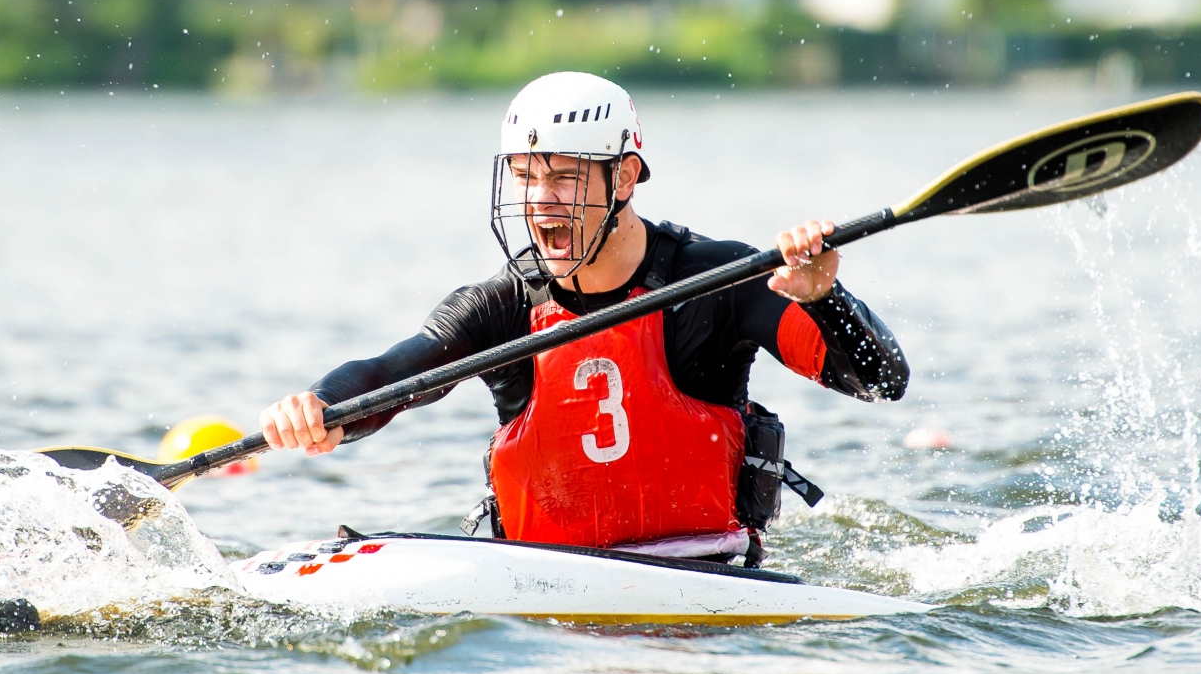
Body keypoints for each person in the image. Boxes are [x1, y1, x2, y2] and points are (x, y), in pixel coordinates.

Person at [261, 72, 907, 565]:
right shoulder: (501, 306)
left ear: (624, 177)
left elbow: (883, 381)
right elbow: (396, 370)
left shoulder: (718, 281)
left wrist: (825, 297)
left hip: (705, 577)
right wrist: (322, 408)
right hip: (543, 585)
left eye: (565, 178)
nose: (541, 203)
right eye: (526, 177)